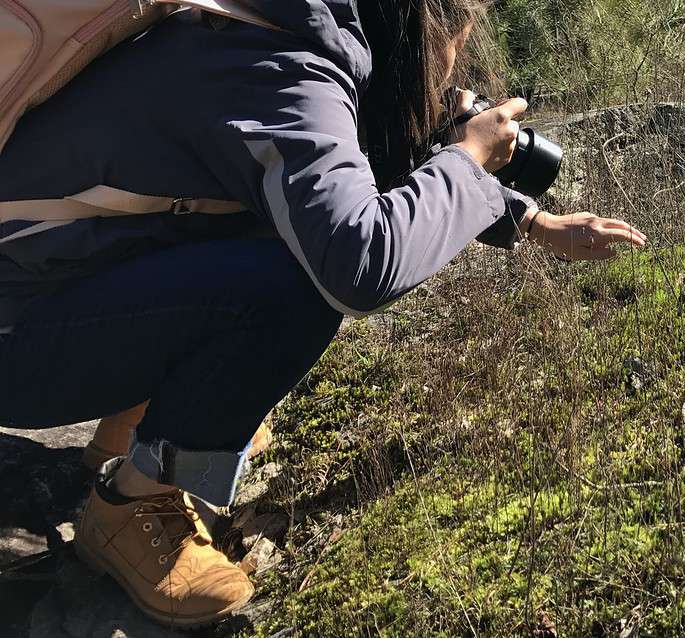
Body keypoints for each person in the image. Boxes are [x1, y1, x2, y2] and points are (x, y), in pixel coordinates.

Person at [0, 0, 646, 627]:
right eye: (462, 30)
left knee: (285, 230)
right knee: (296, 285)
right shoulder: (281, 60)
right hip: (14, 343)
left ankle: (132, 436)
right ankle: (131, 507)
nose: (454, 60)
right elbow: (361, 266)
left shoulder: (268, 24)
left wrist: (534, 220)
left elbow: (341, 169)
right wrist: (467, 159)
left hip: (44, 293)